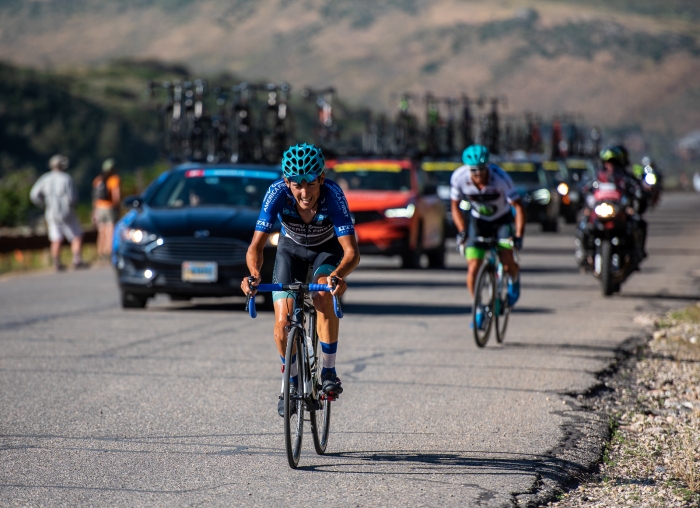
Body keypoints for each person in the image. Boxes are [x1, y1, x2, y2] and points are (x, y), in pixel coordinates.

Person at [241, 143, 360, 416]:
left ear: (321, 178)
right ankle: (291, 383)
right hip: (290, 251)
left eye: (310, 184)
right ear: (287, 181)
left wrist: (338, 276)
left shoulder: (333, 195)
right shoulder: (275, 194)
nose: (304, 193)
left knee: (321, 295)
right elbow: (255, 248)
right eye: (297, 185)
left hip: (326, 251)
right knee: (282, 323)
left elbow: (352, 252)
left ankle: (328, 371)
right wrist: (254, 275)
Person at [450, 145, 526, 329]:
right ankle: (478, 309)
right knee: (473, 267)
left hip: (501, 220)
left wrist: (518, 235)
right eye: (473, 170)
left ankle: (514, 282)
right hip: (478, 222)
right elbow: (455, 206)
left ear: (487, 167)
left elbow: (518, 206)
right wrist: (461, 231)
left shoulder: (500, 178)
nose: (477, 174)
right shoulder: (459, 178)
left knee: (507, 261)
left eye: (481, 169)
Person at [30, 154, 87, 270]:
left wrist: (44, 204)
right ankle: (77, 259)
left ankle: (56, 262)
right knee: (76, 235)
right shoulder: (66, 178)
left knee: (56, 238)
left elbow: (34, 195)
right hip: (67, 212)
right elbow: (73, 197)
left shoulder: (45, 178)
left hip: (51, 213)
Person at [92, 158, 121, 262]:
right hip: (110, 207)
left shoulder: (98, 180)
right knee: (110, 231)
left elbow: (95, 197)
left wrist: (94, 211)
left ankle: (101, 253)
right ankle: (109, 252)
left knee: (101, 231)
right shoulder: (114, 179)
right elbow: (116, 196)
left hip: (99, 208)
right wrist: (118, 207)